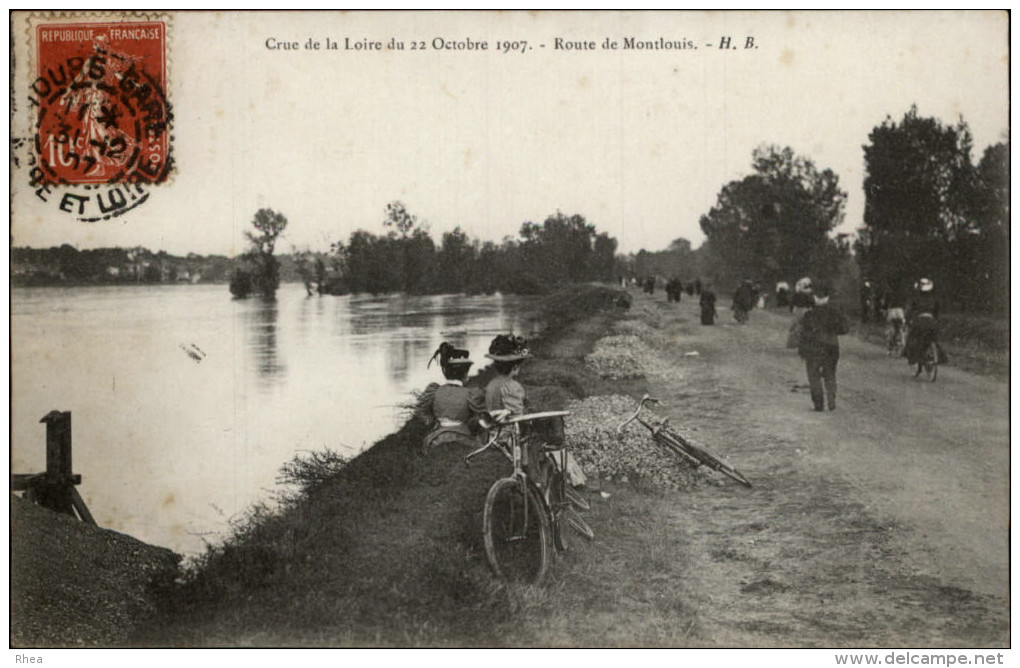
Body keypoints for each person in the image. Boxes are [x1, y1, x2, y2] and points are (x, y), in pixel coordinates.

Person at [484, 333, 585, 487]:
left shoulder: (491, 385)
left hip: (494, 433)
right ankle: (540, 480)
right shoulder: (512, 386)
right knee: (549, 435)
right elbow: (517, 417)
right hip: (511, 436)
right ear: (515, 366)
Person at [417, 342, 486, 455]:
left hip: (436, 438)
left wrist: (434, 423)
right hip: (464, 438)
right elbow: (481, 419)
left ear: (445, 372)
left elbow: (422, 413)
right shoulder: (470, 394)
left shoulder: (434, 391)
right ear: (465, 374)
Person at [797, 282, 849, 411]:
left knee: (813, 375)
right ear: (827, 298)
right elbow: (844, 329)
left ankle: (818, 403)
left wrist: (802, 350)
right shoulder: (835, 313)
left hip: (813, 347)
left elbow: (803, 334)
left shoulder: (809, 315)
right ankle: (831, 397)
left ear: (814, 298)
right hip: (831, 346)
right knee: (830, 373)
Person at [903, 277, 943, 367]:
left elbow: (908, 311)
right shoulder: (934, 299)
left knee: (912, 338)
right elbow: (937, 312)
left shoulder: (915, 298)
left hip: (919, 321)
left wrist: (907, 320)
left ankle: (913, 358)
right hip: (932, 321)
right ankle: (936, 355)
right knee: (933, 339)